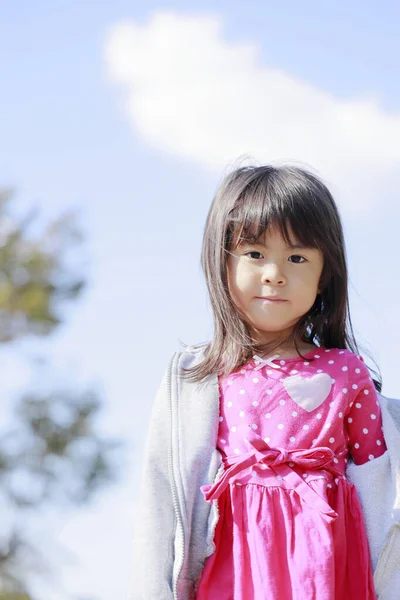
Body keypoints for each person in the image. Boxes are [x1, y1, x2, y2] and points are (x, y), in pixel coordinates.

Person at [132, 164, 400, 600]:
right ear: (221, 262)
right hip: (232, 570)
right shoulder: (197, 380)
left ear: (324, 275)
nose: (275, 273)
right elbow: (159, 500)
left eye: (297, 258)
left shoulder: (345, 374)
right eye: (255, 254)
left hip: (327, 573)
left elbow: (380, 494)